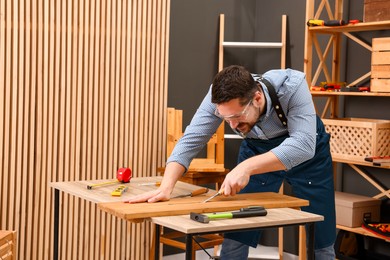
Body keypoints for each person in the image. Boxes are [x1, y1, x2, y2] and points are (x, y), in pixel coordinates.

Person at [128, 65, 336, 259]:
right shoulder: (219, 97)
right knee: (237, 230)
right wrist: (167, 186)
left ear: (257, 98)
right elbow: (192, 138)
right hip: (257, 150)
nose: (233, 125)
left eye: (237, 116)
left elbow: (303, 145)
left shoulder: (292, 86)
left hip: (310, 159)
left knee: (322, 237)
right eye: (226, 119)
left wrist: (246, 167)